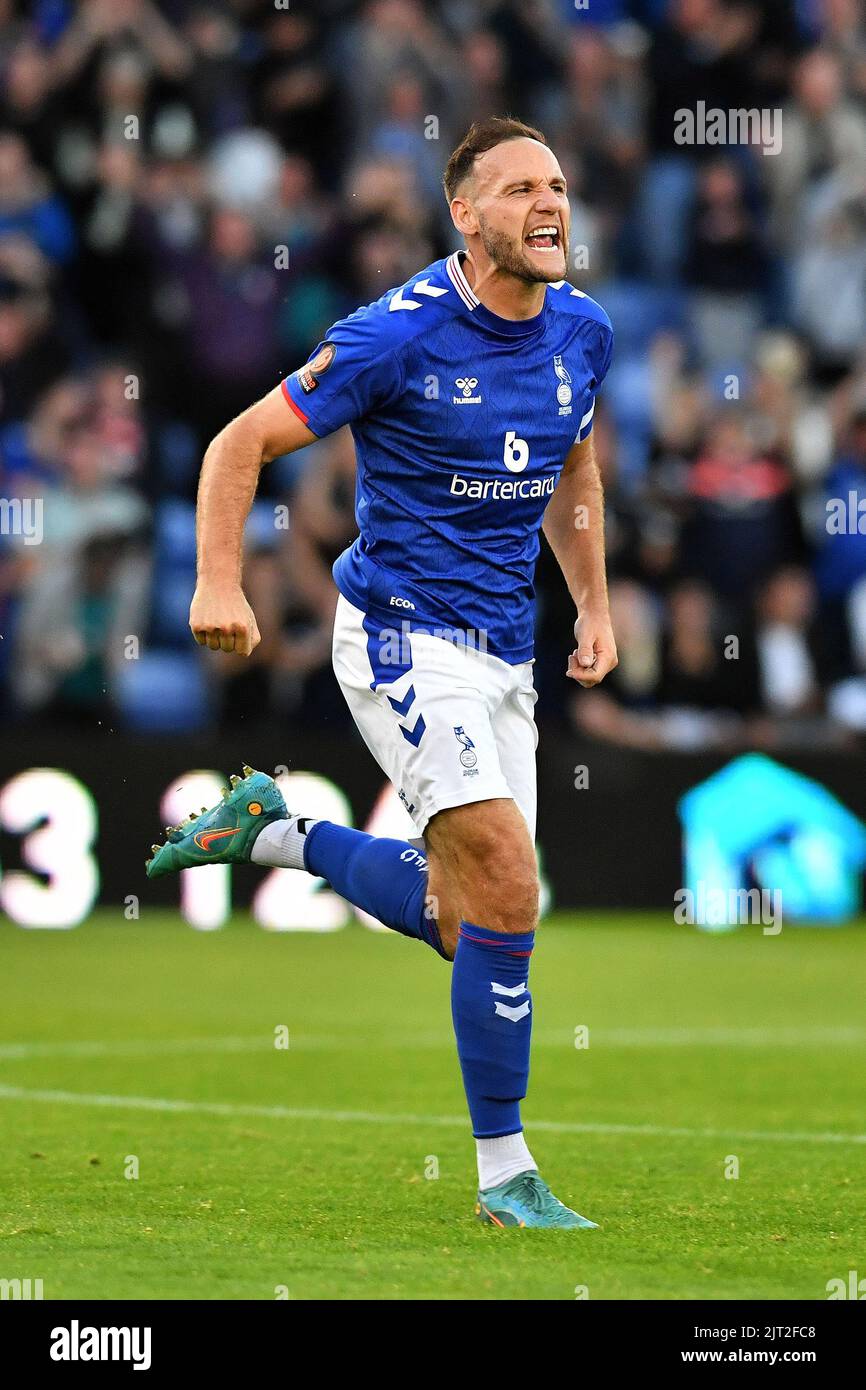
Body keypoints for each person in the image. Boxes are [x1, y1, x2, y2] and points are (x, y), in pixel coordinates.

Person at [146, 118, 617, 1229]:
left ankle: (279, 833)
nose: (548, 206)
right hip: (399, 636)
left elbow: (574, 460)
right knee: (506, 878)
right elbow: (235, 444)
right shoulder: (392, 337)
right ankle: (506, 1180)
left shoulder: (583, 334)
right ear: (464, 214)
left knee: (472, 922)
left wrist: (592, 599)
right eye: (517, 190)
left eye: (557, 184)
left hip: (505, 653)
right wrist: (219, 582)